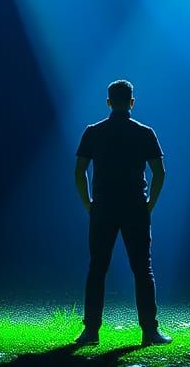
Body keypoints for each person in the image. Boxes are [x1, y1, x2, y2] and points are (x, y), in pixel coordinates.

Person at [73, 79, 172, 347]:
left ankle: (90, 331)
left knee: (97, 268)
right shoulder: (145, 132)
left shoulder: (93, 132)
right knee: (142, 269)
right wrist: (149, 203)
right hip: (135, 208)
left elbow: (79, 171)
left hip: (103, 207)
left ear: (108, 102)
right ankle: (150, 331)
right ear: (132, 102)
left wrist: (88, 203)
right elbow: (159, 173)